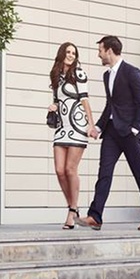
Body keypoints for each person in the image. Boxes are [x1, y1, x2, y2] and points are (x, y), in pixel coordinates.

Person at [77, 35, 140, 231]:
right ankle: (95, 216)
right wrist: (98, 127)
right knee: (104, 173)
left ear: (110, 51)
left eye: (100, 50)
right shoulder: (107, 75)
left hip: (129, 133)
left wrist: (135, 129)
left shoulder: (132, 72)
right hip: (112, 133)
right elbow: (110, 106)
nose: (99, 54)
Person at [48, 42, 95, 229]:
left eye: (73, 53)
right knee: (59, 170)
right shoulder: (56, 76)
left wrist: (91, 125)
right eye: (67, 52)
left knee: (70, 169)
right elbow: (59, 100)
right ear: (61, 54)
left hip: (77, 126)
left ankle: (72, 210)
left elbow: (85, 101)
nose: (70, 55)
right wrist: (54, 106)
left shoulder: (79, 74)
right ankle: (73, 207)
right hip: (62, 127)